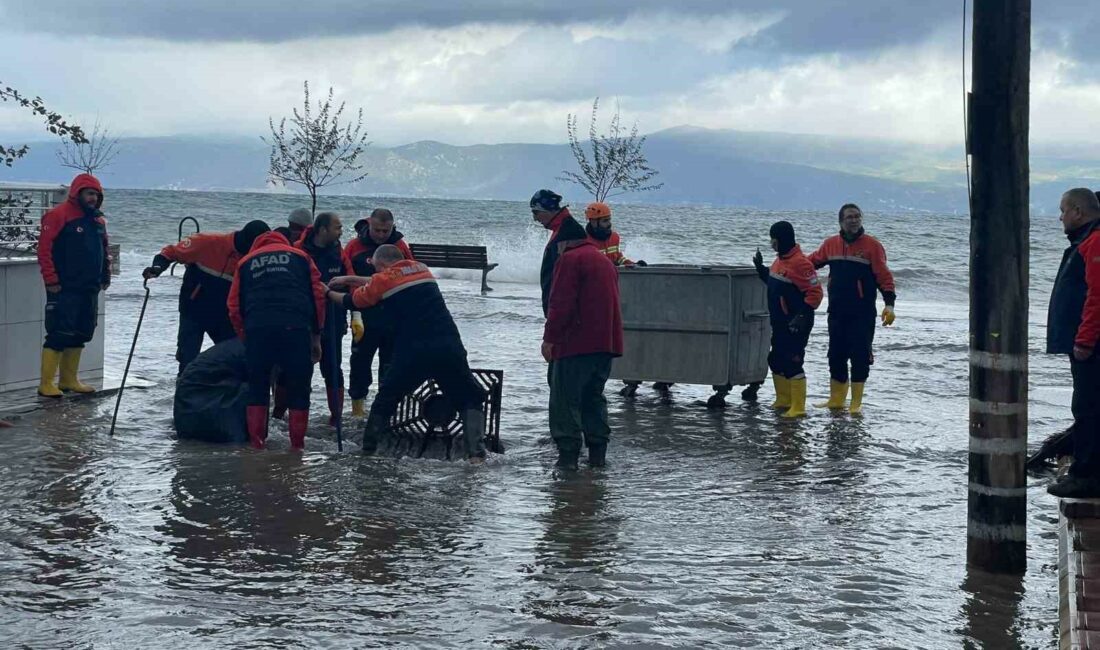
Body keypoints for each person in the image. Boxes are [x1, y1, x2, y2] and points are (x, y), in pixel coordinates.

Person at [326, 245, 488, 463]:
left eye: (376, 268)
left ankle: (368, 452)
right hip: (449, 344)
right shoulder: (421, 268)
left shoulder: (382, 280)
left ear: (380, 265)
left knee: (387, 398)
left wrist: (327, 292)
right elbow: (385, 280)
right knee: (470, 396)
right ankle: (476, 456)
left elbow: (352, 301)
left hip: (413, 350)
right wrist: (351, 278)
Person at [227, 231, 326, 450]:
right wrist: (316, 335)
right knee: (299, 388)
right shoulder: (301, 257)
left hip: (258, 329)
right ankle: (297, 446)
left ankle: (257, 445)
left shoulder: (245, 262)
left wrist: (244, 335)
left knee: (257, 388)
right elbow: (318, 296)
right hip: (296, 328)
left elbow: (233, 306)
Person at [543, 218, 623, 469]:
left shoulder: (570, 259)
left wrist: (549, 339)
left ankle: (568, 460)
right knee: (594, 399)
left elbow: (560, 305)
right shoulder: (604, 261)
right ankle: (598, 457)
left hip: (575, 346)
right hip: (606, 345)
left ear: (563, 243)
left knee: (565, 402)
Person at [143, 220, 271, 374]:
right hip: (193, 311)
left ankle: (223, 387)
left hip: (225, 316)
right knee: (187, 359)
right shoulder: (207, 242)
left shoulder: (256, 258)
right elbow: (170, 252)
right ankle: (183, 386)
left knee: (233, 360)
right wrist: (157, 268)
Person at [808, 203, 896, 414]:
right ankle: (836, 400)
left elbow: (884, 276)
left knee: (860, 356)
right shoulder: (830, 244)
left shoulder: (872, 246)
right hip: (837, 311)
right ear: (841, 221)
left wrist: (889, 304)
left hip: (862, 313)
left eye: (857, 216)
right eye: (849, 217)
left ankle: (856, 403)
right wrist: (784, 264)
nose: (854, 220)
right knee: (835, 355)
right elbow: (810, 263)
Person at [36, 173, 111, 398]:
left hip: (90, 287)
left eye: (96, 195)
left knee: (82, 333)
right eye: (89, 193)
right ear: (77, 193)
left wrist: (105, 276)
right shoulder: (58, 215)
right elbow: (44, 250)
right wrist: (51, 280)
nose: (93, 198)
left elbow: (104, 251)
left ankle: (68, 379)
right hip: (64, 287)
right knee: (59, 332)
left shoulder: (98, 221)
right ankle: (46, 383)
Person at [1046, 188, 1100, 498]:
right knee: (1088, 404)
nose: (1061, 217)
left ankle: (1086, 475)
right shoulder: (1085, 241)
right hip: (1085, 341)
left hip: (1091, 345)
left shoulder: (1094, 242)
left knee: (1088, 406)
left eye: (1064, 210)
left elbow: (1096, 296)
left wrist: (1084, 340)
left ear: (1078, 212)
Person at [343, 208, 415, 416]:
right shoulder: (354, 246)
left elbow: (410, 275)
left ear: (392, 227)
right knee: (360, 362)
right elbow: (347, 277)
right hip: (364, 314)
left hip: (393, 315)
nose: (382, 235)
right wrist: (354, 312)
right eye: (377, 230)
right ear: (369, 226)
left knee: (390, 363)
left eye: (386, 231)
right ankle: (357, 410)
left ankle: (386, 410)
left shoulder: (399, 246)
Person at [752, 221, 823, 418]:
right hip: (780, 322)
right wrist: (760, 268)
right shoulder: (779, 261)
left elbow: (816, 292)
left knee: (792, 362)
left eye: (774, 240)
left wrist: (802, 315)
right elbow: (773, 282)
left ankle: (798, 407)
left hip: (796, 323)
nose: (772, 244)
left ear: (782, 239)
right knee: (775, 360)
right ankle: (783, 400)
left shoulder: (801, 263)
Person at [291, 212, 353, 425]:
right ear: (323, 229)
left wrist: (355, 313)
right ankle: (289, 415)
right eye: (337, 227)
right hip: (304, 320)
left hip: (333, 318)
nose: (341, 231)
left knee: (333, 368)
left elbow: (351, 282)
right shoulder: (299, 250)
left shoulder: (338, 251)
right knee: (299, 368)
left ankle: (336, 417)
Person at [531, 189, 583, 316]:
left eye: (536, 212)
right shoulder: (561, 228)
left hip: (563, 311)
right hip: (557, 308)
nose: (535, 218)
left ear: (547, 210)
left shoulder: (568, 232)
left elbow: (567, 279)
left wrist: (557, 313)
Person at [583, 202, 646, 267]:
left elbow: (619, 258)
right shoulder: (585, 242)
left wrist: (633, 264)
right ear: (593, 222)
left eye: (609, 220)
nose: (609, 224)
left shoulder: (614, 237)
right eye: (605, 221)